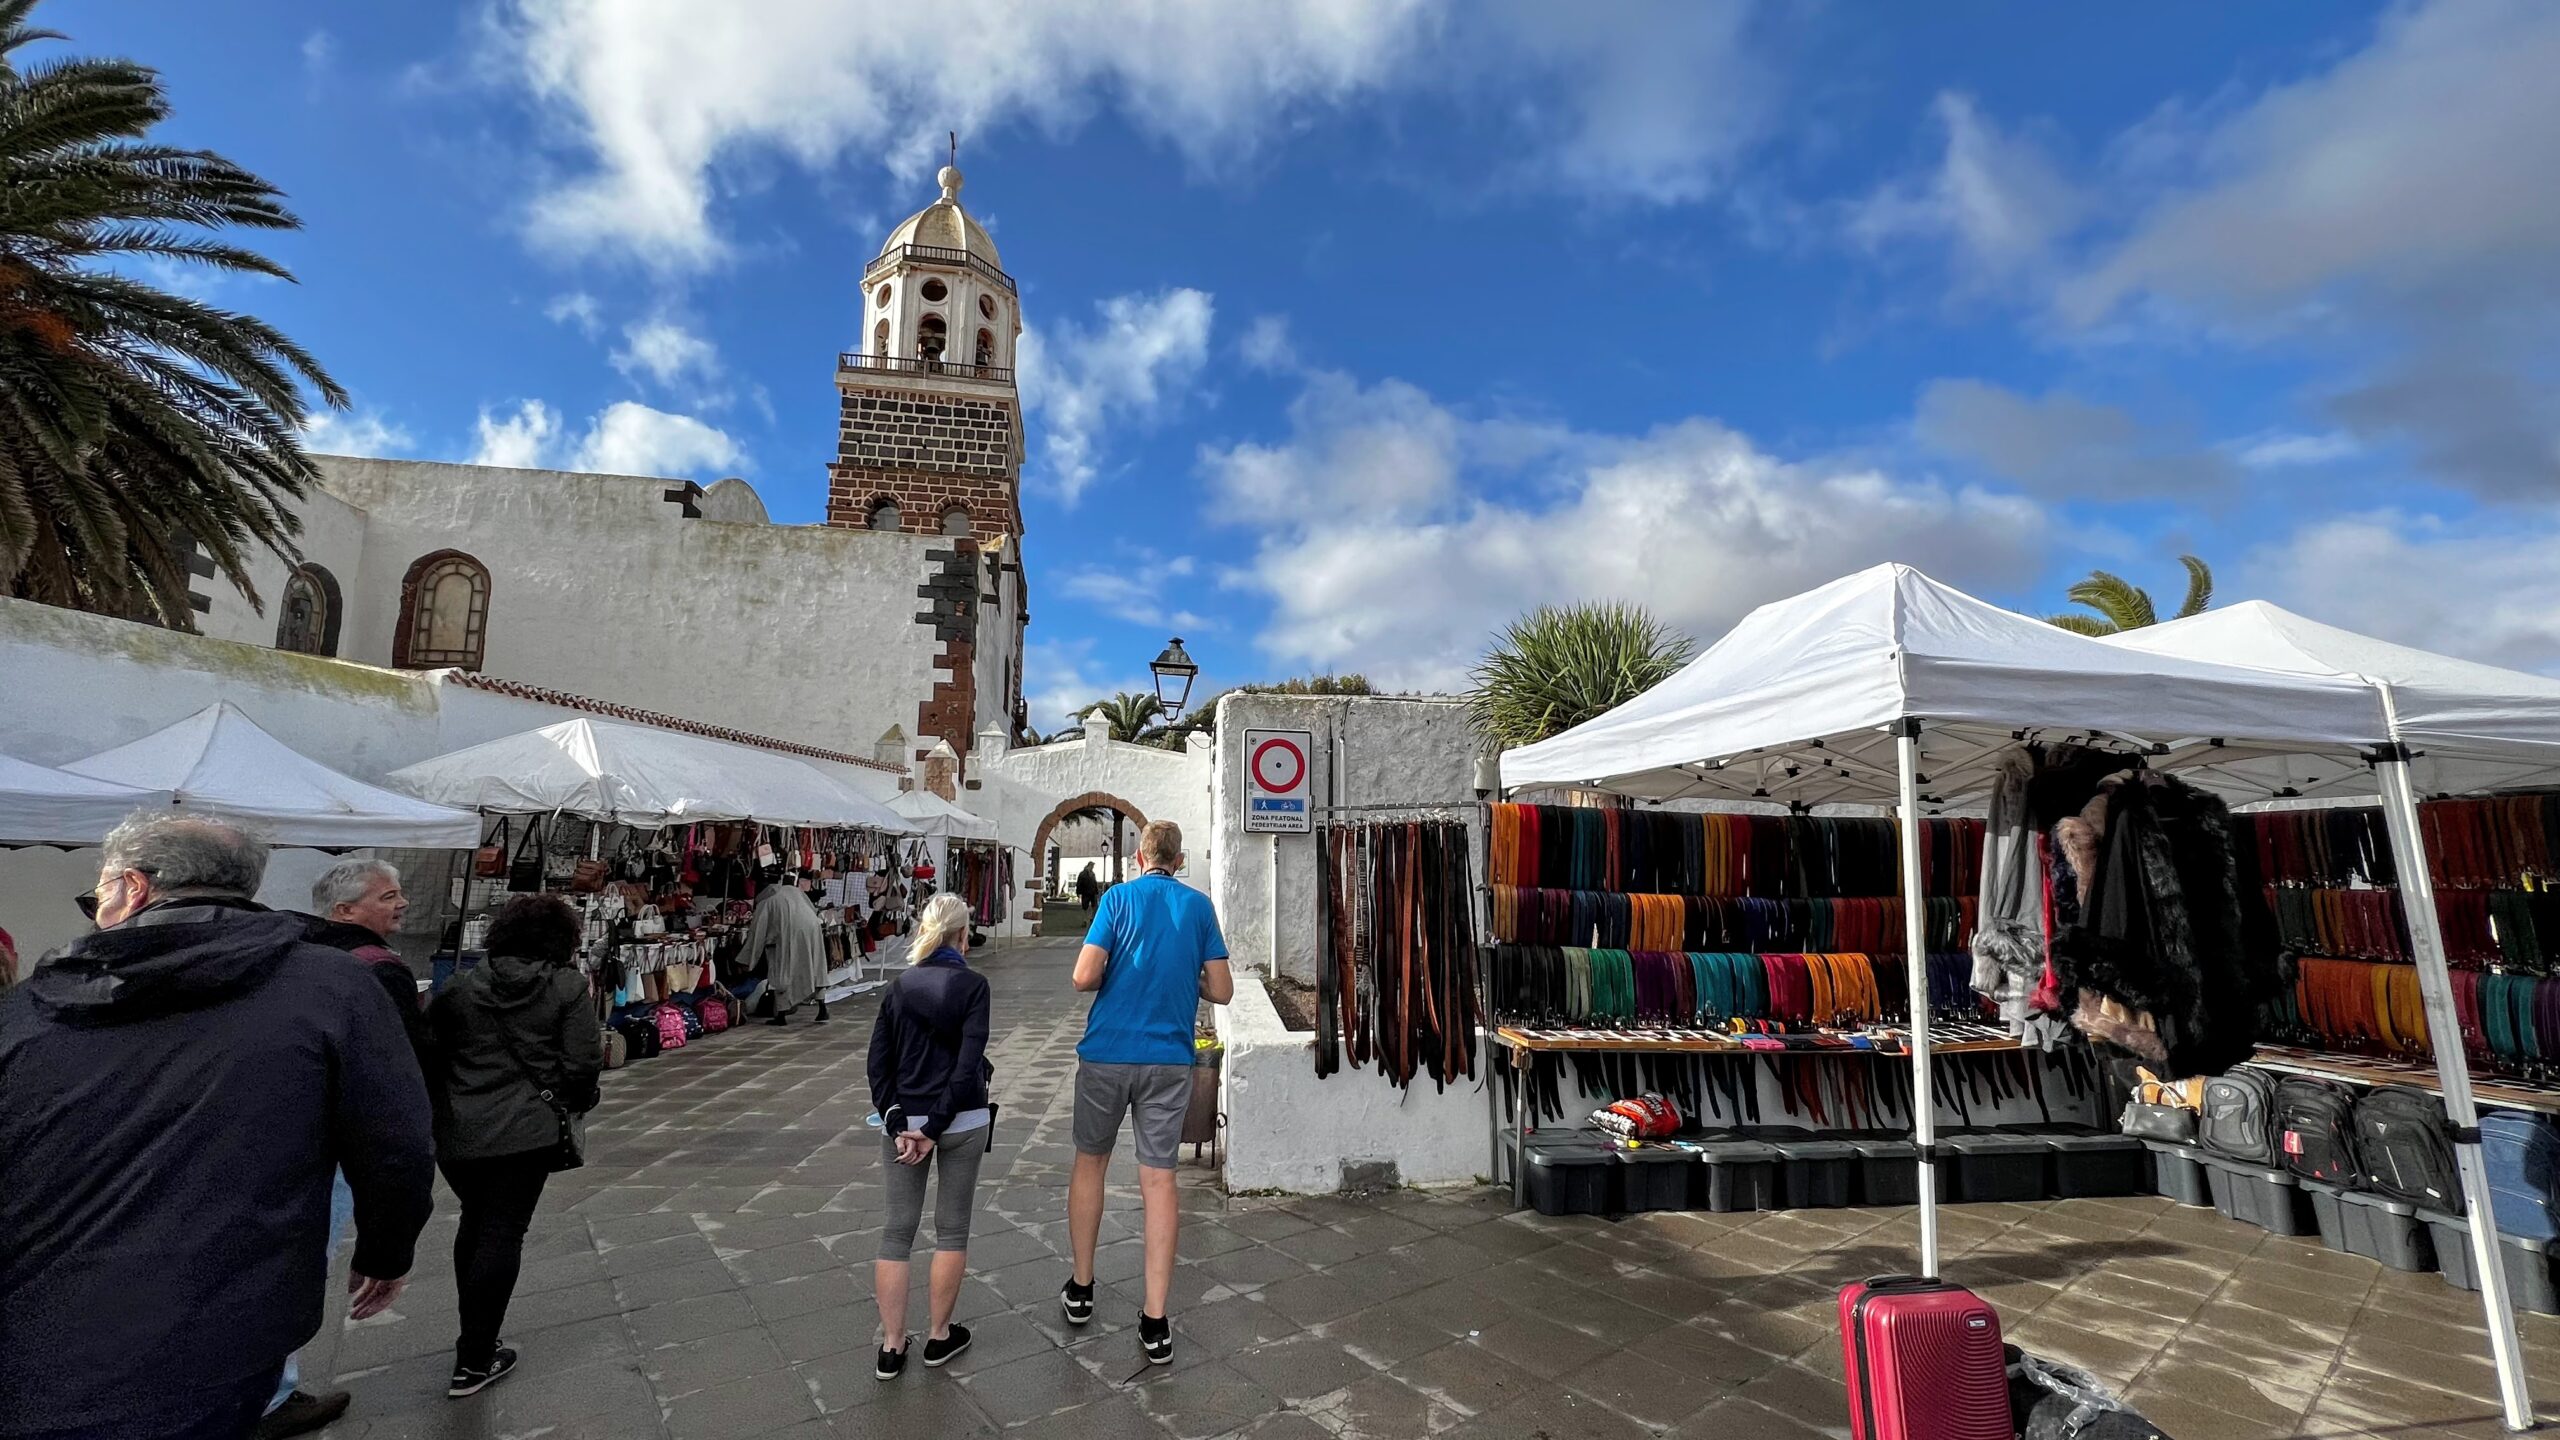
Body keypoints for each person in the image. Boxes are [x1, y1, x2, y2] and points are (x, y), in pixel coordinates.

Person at [0, 812, 435, 1440]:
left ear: (133, 888)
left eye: (98, 890)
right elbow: (395, 1140)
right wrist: (387, 1250)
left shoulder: (30, 1008)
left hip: (44, 1325)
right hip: (230, 1314)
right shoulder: (333, 987)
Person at [254, 859, 428, 1438]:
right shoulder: (376, 971)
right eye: (388, 895)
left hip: (265, 1136)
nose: (401, 903)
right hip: (327, 1147)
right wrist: (388, 1246)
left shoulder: (285, 956)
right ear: (344, 909)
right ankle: (271, 1398)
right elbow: (394, 1089)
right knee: (300, 1265)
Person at [1061, 820, 1232, 1367]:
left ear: (1140, 857)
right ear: (1178, 861)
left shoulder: (1116, 900)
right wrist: (1190, 978)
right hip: (1168, 1060)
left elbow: (1083, 976)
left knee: (1091, 1164)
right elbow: (1223, 990)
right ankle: (1155, 1319)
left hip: (1107, 1053)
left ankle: (1082, 1288)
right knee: (1159, 1181)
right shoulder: (1198, 907)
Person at [426, 893, 604, 1399]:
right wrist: (573, 1099)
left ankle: (475, 1341)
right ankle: (475, 1358)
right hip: (527, 1130)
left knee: (476, 1224)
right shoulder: (567, 988)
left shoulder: (459, 986)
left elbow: (435, 1051)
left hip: (460, 1131)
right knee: (503, 1231)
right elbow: (582, 1062)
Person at [864, 892, 995, 1380]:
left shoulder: (899, 987)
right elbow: (966, 1068)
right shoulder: (974, 987)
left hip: (904, 1126)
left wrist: (902, 1123)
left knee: (897, 1231)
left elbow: (878, 1065)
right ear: (963, 935)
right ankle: (939, 1336)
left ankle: (892, 1346)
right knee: (952, 1228)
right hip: (959, 1123)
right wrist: (936, 1128)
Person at [745, 867, 828, 1024]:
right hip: (812, 932)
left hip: (788, 938)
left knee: (783, 971)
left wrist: (749, 958)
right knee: (815, 967)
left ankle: (781, 1015)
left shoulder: (770, 901)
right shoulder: (800, 895)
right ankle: (822, 1008)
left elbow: (758, 931)